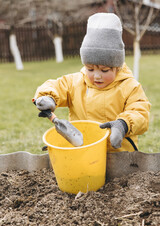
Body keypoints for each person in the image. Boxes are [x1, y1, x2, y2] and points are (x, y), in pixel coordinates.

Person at [33, 13, 151, 153]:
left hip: (120, 156)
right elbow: (57, 86)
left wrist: (123, 124)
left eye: (104, 70)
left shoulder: (130, 87)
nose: (96, 76)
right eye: (90, 69)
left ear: (117, 67)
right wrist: (48, 97)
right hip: (84, 153)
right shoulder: (76, 82)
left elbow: (140, 113)